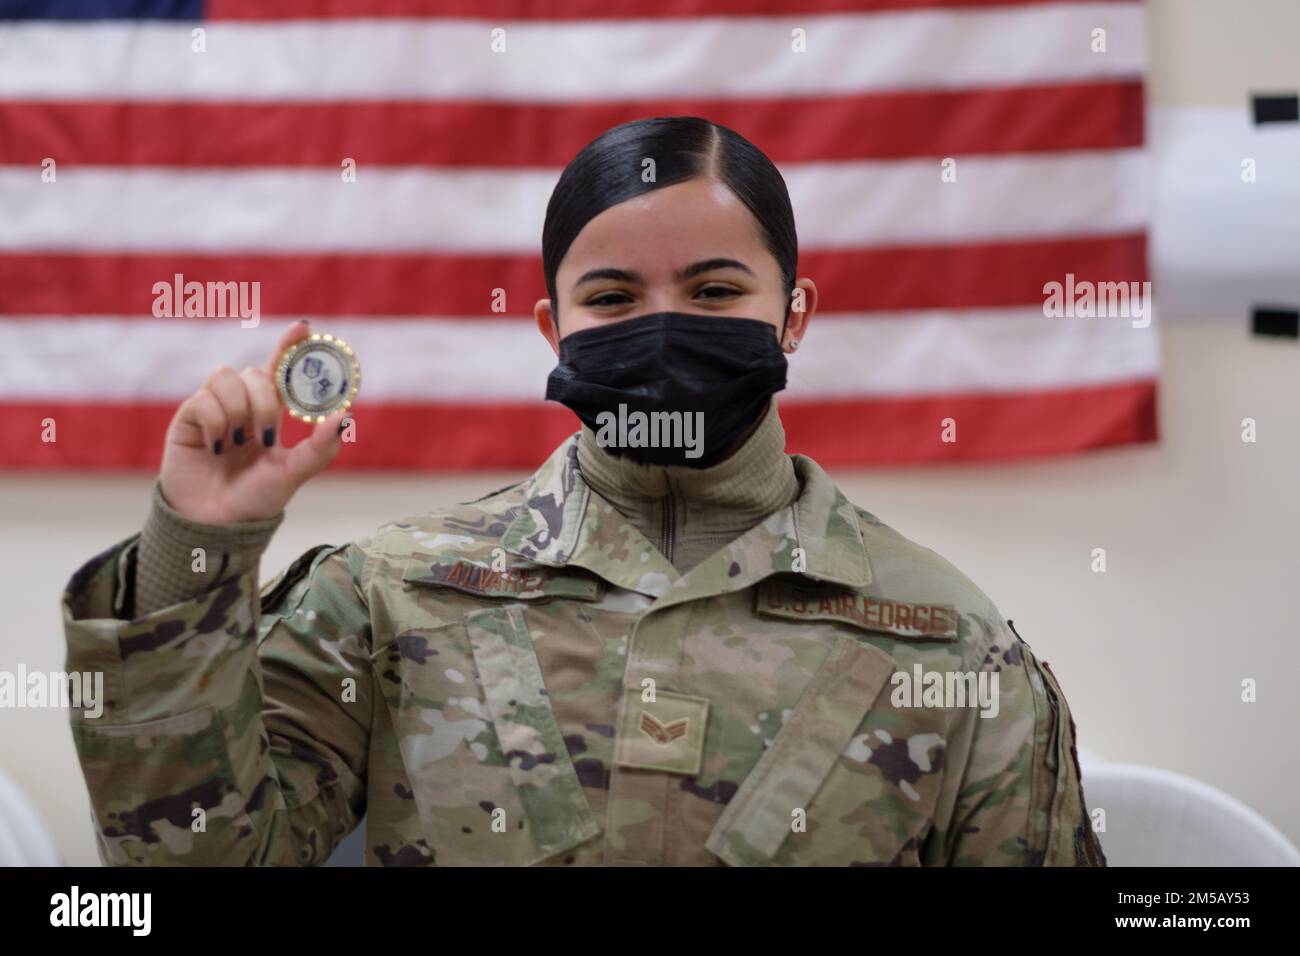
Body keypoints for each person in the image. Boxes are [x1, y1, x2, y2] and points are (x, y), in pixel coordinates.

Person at [61, 116, 1106, 867]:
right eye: (611, 297)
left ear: (792, 314)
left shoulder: (944, 638)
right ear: (551, 330)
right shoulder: (388, 595)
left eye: (712, 290)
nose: (662, 325)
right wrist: (191, 554)